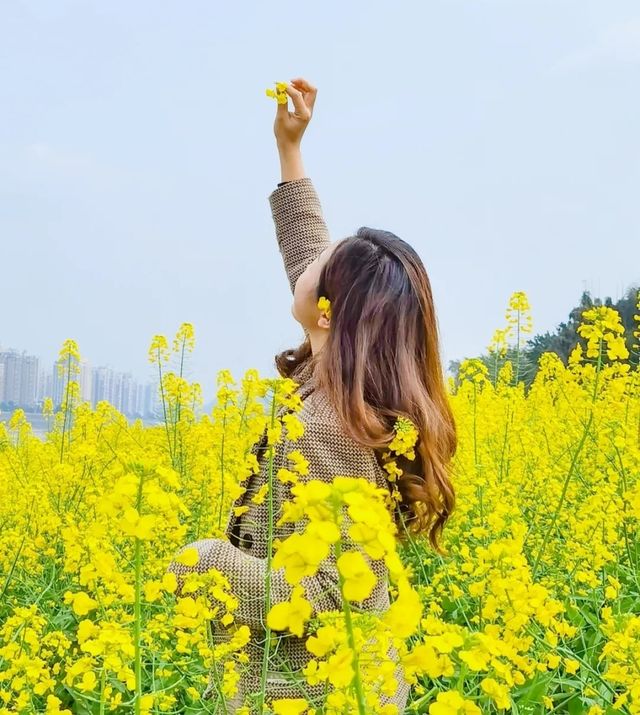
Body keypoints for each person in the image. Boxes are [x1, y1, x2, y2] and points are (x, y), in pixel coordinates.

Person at [169, 77, 457, 713]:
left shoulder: (330, 427)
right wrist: (290, 150)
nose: (310, 259)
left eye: (322, 267)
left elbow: (337, 595)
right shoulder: (337, 386)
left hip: (314, 693)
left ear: (327, 314)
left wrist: (210, 563)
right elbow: (306, 243)